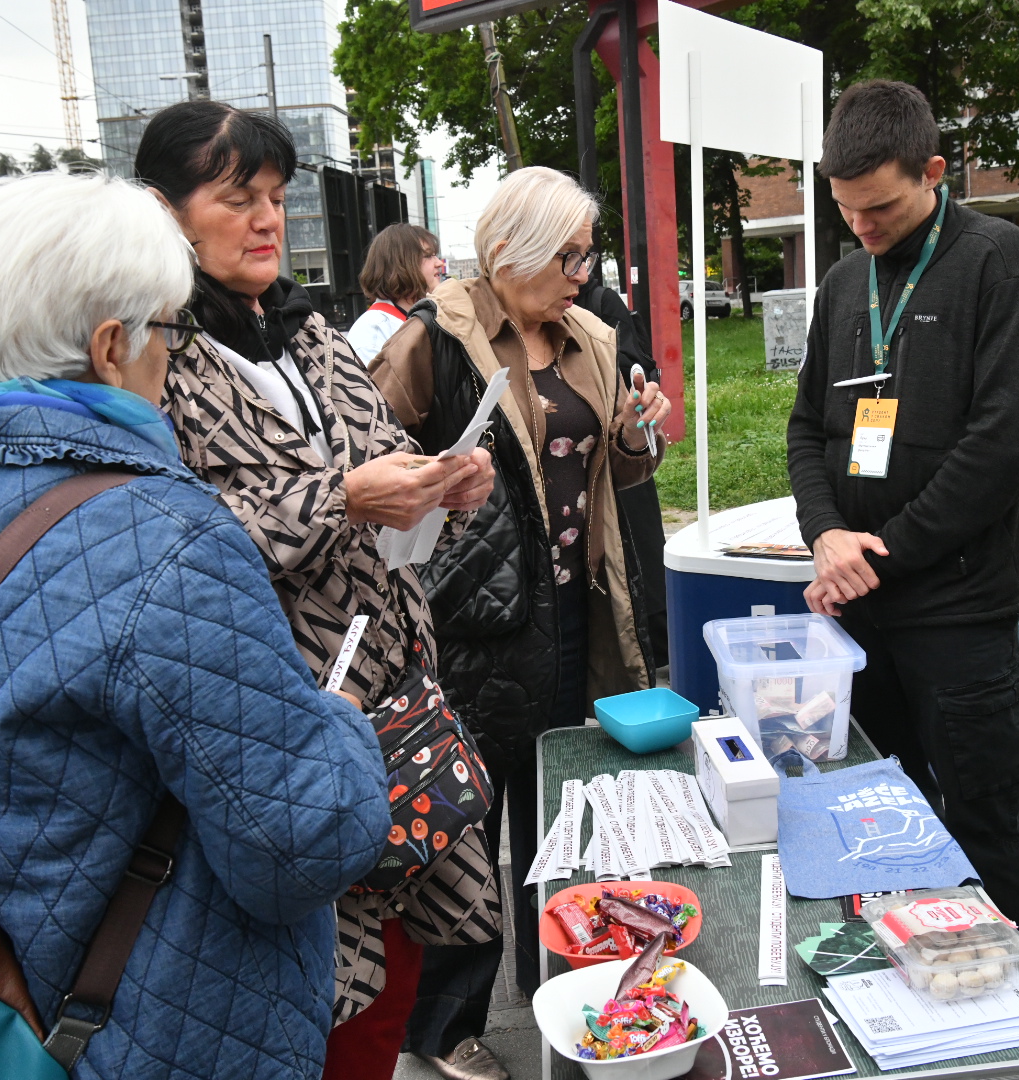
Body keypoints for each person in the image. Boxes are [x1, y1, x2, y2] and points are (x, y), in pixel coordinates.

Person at [0, 172, 392, 1079]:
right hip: (156, 1035)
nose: (176, 356)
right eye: (172, 330)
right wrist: (343, 723)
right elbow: (304, 843)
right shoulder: (169, 536)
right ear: (112, 346)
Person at [132, 101, 498, 1080]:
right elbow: (167, 541)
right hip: (281, 717)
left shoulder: (312, 334)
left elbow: (388, 464)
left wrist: (444, 485)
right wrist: (341, 498)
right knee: (317, 986)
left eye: (277, 197)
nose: (268, 219)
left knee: (405, 945)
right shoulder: (153, 357)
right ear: (164, 213)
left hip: (397, 697)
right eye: (237, 198)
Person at [371, 165, 669, 1080]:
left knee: (561, 816)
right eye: (567, 256)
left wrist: (636, 434)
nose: (584, 274)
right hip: (471, 627)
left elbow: (620, 474)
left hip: (579, 609)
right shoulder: (435, 338)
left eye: (588, 255)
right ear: (508, 252)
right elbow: (364, 468)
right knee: (466, 829)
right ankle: (444, 1026)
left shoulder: (591, 334)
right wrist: (426, 483)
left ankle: (558, 985)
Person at [785, 79, 1019, 972]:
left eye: (882, 207)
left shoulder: (994, 258)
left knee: (982, 824)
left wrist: (881, 553)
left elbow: (1003, 445)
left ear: (935, 172)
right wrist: (827, 535)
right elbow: (806, 428)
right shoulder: (844, 280)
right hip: (860, 613)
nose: (862, 226)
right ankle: (914, 989)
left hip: (959, 615)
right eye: (846, 209)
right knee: (880, 821)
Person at [576, 273, 670, 657]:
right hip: (582, 479)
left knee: (639, 550)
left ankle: (655, 641)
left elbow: (635, 368)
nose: (576, 273)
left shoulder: (600, 302)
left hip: (621, 453)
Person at [347, 223, 444, 363]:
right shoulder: (372, 332)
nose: (439, 263)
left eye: (435, 255)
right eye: (428, 256)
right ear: (401, 264)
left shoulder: (427, 317)